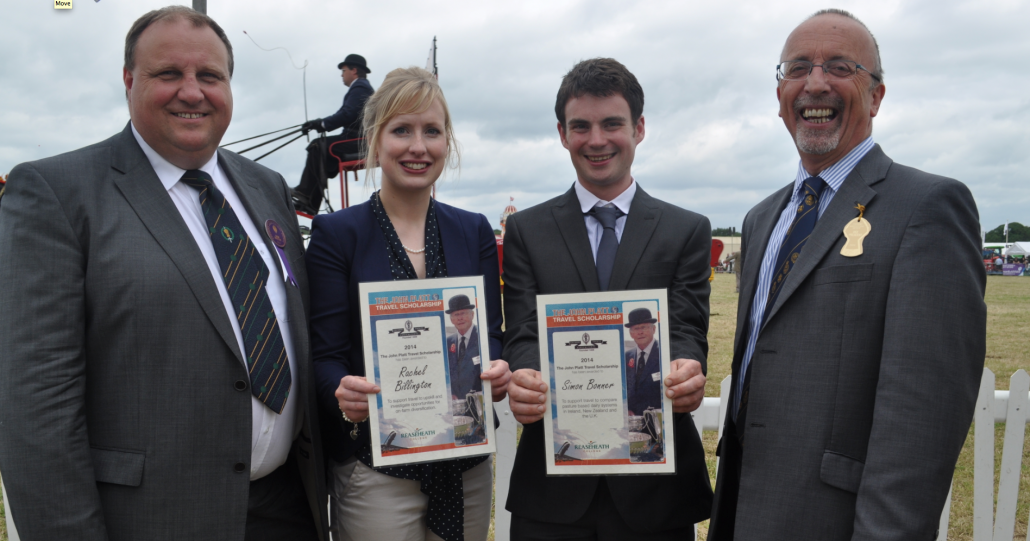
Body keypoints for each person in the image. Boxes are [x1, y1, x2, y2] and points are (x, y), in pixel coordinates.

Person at [0, 6, 327, 540]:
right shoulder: (57, 193)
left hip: (287, 510)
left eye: (210, 76)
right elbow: (37, 413)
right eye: (169, 74)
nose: (193, 92)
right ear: (129, 80)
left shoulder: (267, 188)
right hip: (152, 521)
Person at [707, 9, 986, 541]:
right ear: (780, 94)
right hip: (743, 513)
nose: (815, 83)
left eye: (839, 66)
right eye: (796, 68)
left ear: (877, 95)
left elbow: (920, 421)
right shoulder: (763, 218)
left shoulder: (926, 206)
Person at [502, 58, 713, 541]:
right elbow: (523, 331)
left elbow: (684, 326)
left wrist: (685, 367)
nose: (597, 140)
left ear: (638, 128)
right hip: (554, 487)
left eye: (612, 123)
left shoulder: (686, 229)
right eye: (581, 126)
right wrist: (526, 373)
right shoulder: (527, 231)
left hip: (653, 490)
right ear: (562, 133)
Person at [305, 66, 512, 541]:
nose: (418, 146)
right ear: (375, 142)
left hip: (466, 467)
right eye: (402, 130)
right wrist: (341, 389)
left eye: (432, 131)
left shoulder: (474, 230)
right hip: (378, 470)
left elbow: (491, 334)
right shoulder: (339, 235)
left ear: (447, 143)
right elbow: (325, 354)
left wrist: (497, 367)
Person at [292, 54, 375, 214]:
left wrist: (322, 124)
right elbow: (346, 114)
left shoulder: (360, 87)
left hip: (357, 139)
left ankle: (307, 197)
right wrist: (321, 123)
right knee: (319, 145)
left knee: (317, 146)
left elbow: (347, 114)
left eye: (344, 70)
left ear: (354, 70)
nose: (341, 75)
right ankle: (309, 198)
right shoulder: (362, 87)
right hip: (356, 137)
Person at [624, 308, 662, 416]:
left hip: (658, 421)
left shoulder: (664, 353)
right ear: (631, 334)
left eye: (644, 327)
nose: (640, 332)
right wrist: (626, 409)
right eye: (636, 328)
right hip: (632, 423)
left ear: (653, 329)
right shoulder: (627, 356)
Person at [446, 294, 484, 400]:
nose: (460, 318)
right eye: (456, 314)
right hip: (456, 406)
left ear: (472, 315)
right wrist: (450, 393)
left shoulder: (483, 337)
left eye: (463, 313)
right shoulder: (448, 342)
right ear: (451, 320)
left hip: (479, 404)